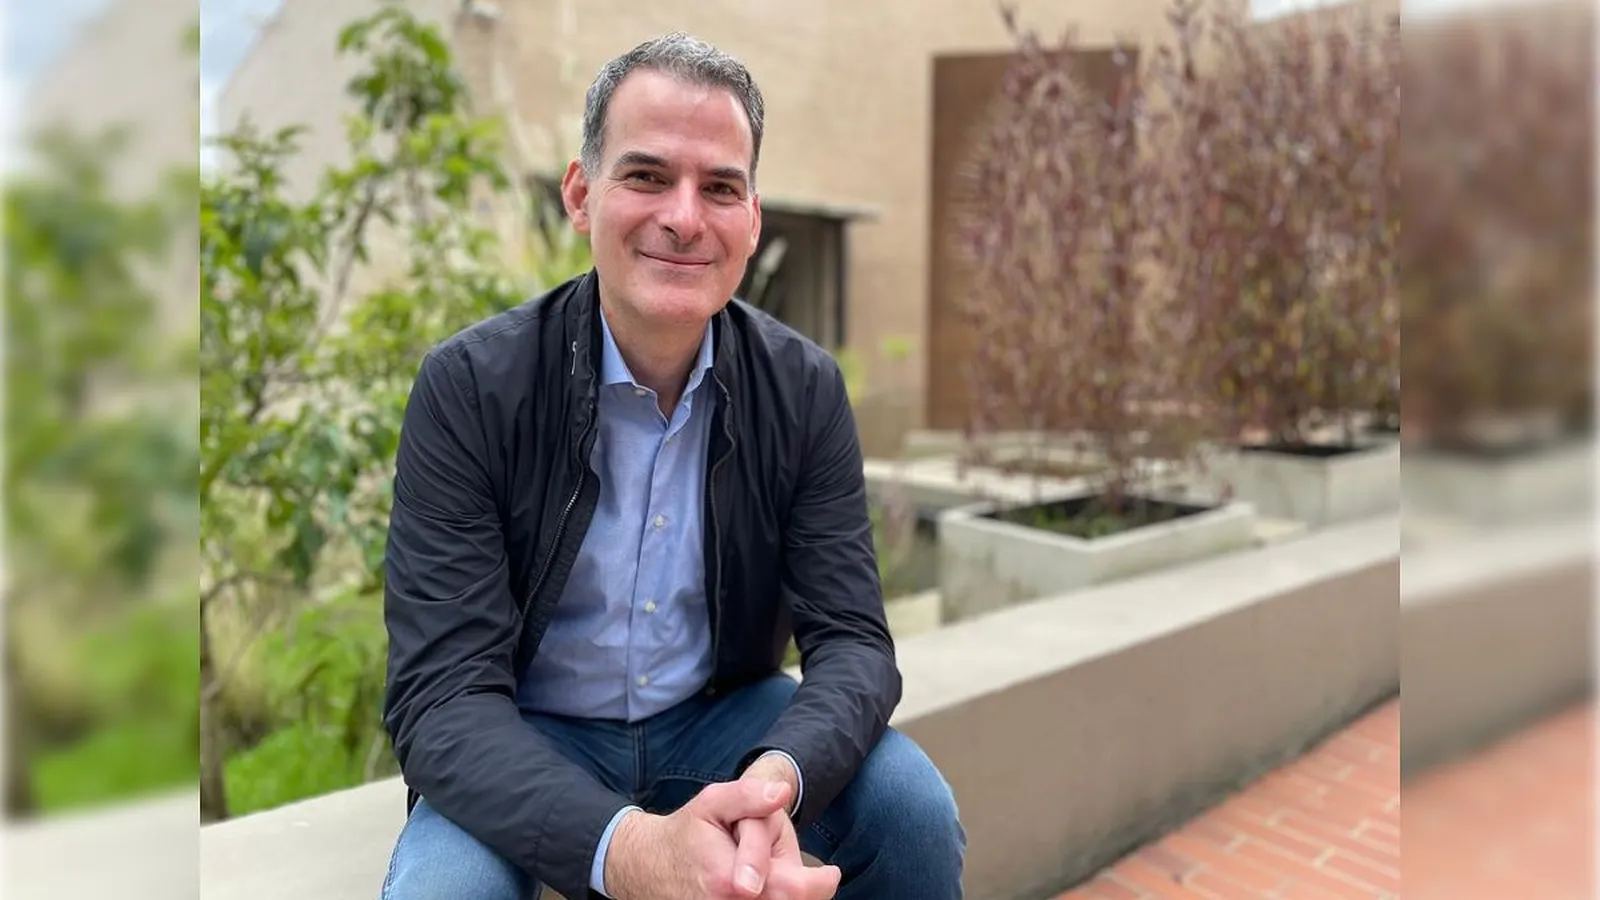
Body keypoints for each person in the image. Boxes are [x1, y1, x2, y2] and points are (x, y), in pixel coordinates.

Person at [376, 31, 967, 900]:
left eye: (720, 187)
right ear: (582, 195)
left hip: (724, 721)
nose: (685, 218)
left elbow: (854, 644)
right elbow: (439, 697)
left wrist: (777, 779)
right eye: (647, 175)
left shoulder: (803, 390)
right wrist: (632, 851)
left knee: (914, 813)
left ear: (752, 220)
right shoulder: (470, 387)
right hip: (527, 731)